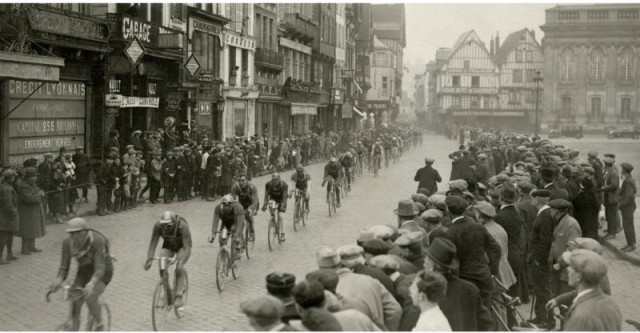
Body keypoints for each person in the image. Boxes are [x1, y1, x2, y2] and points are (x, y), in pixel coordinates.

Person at [49, 218, 114, 331]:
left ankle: (100, 324)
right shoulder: (67, 242)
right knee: (75, 299)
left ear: (86, 231)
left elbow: (100, 267)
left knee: (90, 296)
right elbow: (64, 266)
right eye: (71, 233)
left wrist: (92, 283)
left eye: (78, 233)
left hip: (103, 271)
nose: (74, 236)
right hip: (84, 269)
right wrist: (59, 280)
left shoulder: (97, 240)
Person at [444, 195, 501, 311]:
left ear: (448, 211)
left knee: (468, 315)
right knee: (485, 313)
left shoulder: (450, 232)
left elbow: (452, 261)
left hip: (464, 279)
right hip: (484, 277)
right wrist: (491, 271)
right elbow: (496, 249)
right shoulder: (478, 227)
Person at [559, 250, 622, 331]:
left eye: (571, 267)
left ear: (579, 276)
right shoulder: (611, 304)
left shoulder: (581, 316)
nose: (568, 269)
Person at [144, 211, 192, 309]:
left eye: (168, 226)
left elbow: (187, 247)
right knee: (162, 265)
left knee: (179, 266)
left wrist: (181, 261)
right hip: (168, 246)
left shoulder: (182, 226)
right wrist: (149, 259)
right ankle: (168, 295)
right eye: (163, 226)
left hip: (182, 247)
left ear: (174, 223)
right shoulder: (158, 226)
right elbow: (153, 243)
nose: (165, 228)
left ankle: (179, 295)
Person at [476, 201, 516, 291]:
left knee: (496, 299)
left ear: (482, 218)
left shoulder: (485, 231)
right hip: (504, 267)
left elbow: (488, 255)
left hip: (495, 270)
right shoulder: (499, 227)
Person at [16, 167, 46, 255]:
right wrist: (40, 195)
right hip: (26, 212)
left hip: (33, 211)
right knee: (26, 229)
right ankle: (24, 249)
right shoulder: (23, 186)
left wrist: (41, 193)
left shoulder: (32, 185)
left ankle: (32, 246)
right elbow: (29, 199)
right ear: (29, 177)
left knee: (33, 228)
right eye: (34, 176)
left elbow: (38, 191)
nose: (36, 178)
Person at [230, 174, 259, 241]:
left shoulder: (252, 187)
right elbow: (232, 200)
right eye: (239, 181)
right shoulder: (235, 187)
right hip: (242, 205)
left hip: (252, 204)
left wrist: (250, 209)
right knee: (238, 221)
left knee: (249, 216)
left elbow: (255, 202)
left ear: (247, 180)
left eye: (243, 180)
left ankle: (252, 232)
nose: (241, 182)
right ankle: (240, 239)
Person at [262, 173, 289, 242]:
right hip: (273, 199)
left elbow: (285, 197)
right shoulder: (268, 184)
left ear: (279, 179)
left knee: (281, 216)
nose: (275, 181)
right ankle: (273, 218)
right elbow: (266, 195)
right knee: (270, 204)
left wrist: (282, 205)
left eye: (276, 180)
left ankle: (283, 233)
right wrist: (264, 204)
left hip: (281, 200)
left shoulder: (284, 185)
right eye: (273, 180)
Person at [0, 169, 19, 264]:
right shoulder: (6, 189)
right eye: (13, 177)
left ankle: (10, 254)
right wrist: (14, 213)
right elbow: (7, 205)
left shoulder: (6, 186)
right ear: (9, 178)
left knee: (10, 234)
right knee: (4, 236)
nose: (15, 178)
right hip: (6, 216)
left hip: (6, 215)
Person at [618, 162, 636, 252]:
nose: (621, 169)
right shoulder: (629, 179)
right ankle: (630, 243)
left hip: (628, 207)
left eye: (622, 168)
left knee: (627, 225)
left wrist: (620, 205)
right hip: (629, 206)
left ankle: (631, 245)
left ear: (624, 170)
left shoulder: (628, 181)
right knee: (627, 225)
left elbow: (628, 197)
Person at [601, 157, 621, 239]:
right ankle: (610, 232)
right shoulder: (609, 172)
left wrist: (604, 188)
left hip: (612, 198)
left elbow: (614, 185)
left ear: (606, 165)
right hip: (609, 197)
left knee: (612, 216)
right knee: (609, 215)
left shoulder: (613, 173)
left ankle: (612, 233)